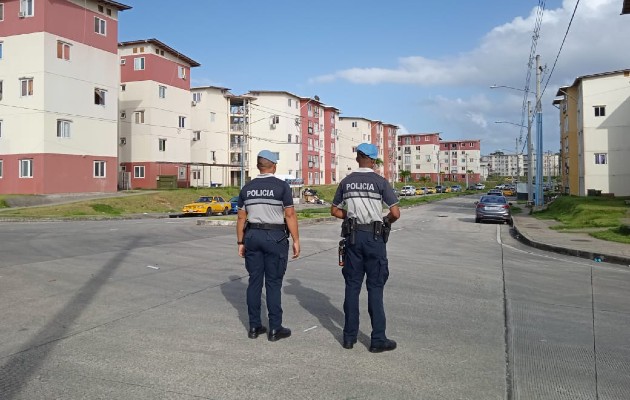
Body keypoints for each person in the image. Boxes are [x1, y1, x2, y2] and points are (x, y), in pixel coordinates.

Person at [330, 143, 400, 353]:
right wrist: (384, 220)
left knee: (352, 287)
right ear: (373, 160)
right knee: (375, 288)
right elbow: (395, 213)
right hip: (374, 238)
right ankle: (378, 339)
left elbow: (334, 210)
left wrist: (351, 218)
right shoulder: (380, 182)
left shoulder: (346, 182)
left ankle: (349, 338)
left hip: (353, 238)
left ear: (358, 158)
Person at [236, 150, 300, 342]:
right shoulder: (282, 187)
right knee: (273, 283)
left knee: (254, 281)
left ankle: (254, 326)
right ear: (274, 166)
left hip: (252, 236)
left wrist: (240, 241)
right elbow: (289, 215)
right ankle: (275, 328)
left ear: (258, 166)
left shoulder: (247, 188)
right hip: (275, 237)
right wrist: (296, 240)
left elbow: (241, 217)